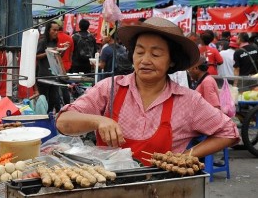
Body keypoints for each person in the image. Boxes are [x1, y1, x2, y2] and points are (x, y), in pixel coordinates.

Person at [56, 17, 239, 165]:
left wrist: (188, 155)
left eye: (156, 54)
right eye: (139, 51)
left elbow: (229, 132)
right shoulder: (110, 89)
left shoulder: (188, 100)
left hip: (161, 191)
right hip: (110, 189)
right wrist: (98, 121)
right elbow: (63, 122)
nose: (145, 60)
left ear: (172, 61)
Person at [36, 21, 61, 113]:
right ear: (48, 30)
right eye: (54, 30)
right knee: (44, 99)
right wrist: (48, 52)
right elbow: (36, 56)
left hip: (54, 74)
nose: (56, 32)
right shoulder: (42, 42)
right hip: (43, 75)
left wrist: (61, 51)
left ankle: (51, 116)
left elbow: (56, 57)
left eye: (57, 30)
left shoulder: (54, 42)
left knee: (53, 99)